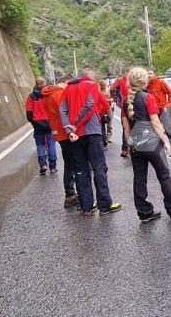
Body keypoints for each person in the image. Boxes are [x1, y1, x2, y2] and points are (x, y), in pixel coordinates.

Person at [121, 67, 171, 223]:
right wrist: (166, 141)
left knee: (139, 179)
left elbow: (126, 127)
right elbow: (155, 122)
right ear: (144, 81)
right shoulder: (148, 98)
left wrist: (129, 145)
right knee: (164, 176)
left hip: (136, 144)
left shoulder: (125, 101)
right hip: (152, 143)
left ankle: (144, 212)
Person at [59, 69, 122, 217]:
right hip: (92, 132)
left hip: (75, 136)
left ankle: (86, 207)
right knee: (99, 168)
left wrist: (70, 130)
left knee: (80, 170)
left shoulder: (68, 88)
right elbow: (90, 106)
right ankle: (104, 205)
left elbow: (62, 111)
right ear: (89, 77)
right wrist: (76, 124)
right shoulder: (91, 85)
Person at [41, 76, 79, 209]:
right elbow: (65, 113)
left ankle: (70, 195)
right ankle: (70, 195)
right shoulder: (59, 94)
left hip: (57, 131)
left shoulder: (48, 94)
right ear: (67, 83)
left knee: (69, 163)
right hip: (65, 132)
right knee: (73, 164)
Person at [25, 77, 57, 175]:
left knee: (40, 145)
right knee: (51, 144)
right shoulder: (50, 94)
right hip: (50, 122)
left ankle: (43, 165)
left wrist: (34, 123)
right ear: (44, 83)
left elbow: (29, 112)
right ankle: (52, 167)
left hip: (38, 124)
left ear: (36, 84)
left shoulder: (31, 96)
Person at [146, 69, 171, 157]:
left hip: (162, 109)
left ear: (154, 74)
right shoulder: (146, 85)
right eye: (147, 74)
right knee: (155, 130)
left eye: (150, 73)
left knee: (168, 130)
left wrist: (168, 105)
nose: (149, 75)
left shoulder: (160, 82)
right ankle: (158, 150)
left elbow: (170, 93)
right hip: (153, 111)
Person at [110, 68, 130, 158]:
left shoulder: (121, 80)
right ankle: (128, 149)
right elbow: (112, 90)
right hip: (130, 104)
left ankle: (126, 149)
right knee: (130, 127)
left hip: (125, 105)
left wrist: (118, 101)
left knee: (126, 128)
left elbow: (112, 90)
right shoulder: (124, 80)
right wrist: (118, 101)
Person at [98, 79, 114, 147]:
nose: (103, 86)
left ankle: (109, 136)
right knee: (101, 124)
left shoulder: (109, 91)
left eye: (104, 85)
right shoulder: (98, 91)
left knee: (109, 123)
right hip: (100, 109)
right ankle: (102, 137)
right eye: (102, 85)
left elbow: (113, 99)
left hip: (108, 109)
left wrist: (106, 100)